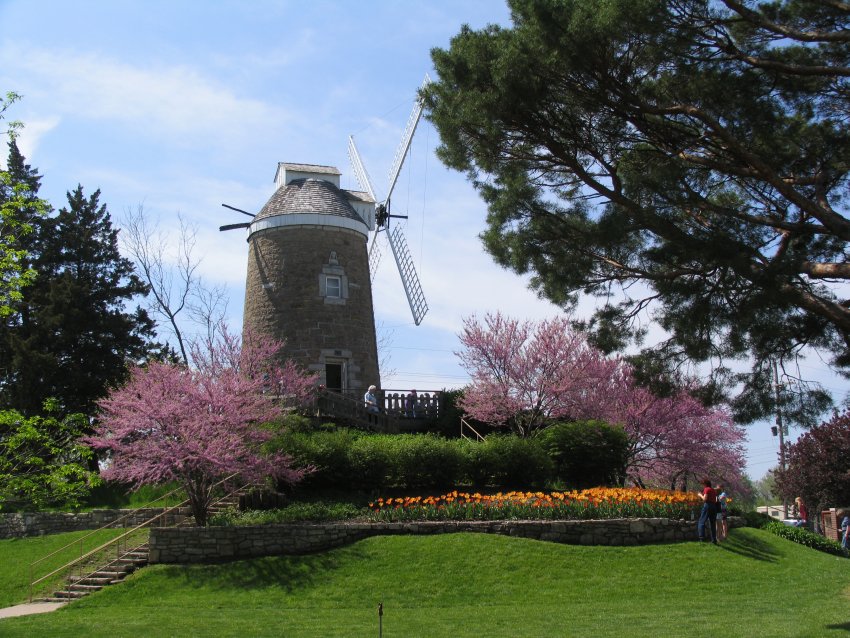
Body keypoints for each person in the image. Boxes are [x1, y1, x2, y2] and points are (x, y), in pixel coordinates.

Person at [697, 478, 718, 544]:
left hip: (707, 506)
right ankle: (714, 540)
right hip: (714, 507)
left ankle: (701, 538)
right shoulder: (713, 490)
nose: (702, 486)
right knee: (712, 524)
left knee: (701, 522)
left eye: (703, 484)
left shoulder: (707, 489)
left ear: (705, 484)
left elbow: (705, 499)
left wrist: (700, 495)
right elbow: (715, 500)